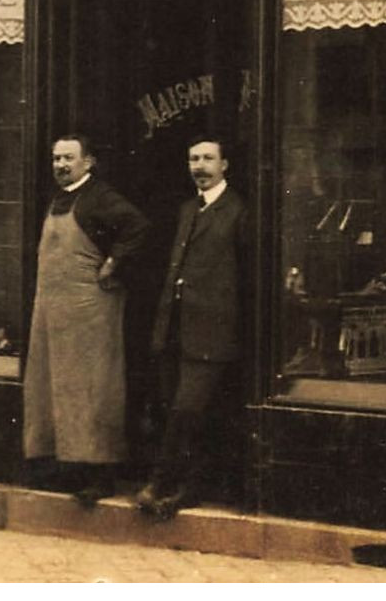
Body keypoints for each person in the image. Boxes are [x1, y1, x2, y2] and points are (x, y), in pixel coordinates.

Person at [22, 134, 149, 507]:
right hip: (53, 309)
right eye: (56, 158)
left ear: (88, 162)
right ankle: (64, 467)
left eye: (69, 159)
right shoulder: (60, 198)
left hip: (89, 311)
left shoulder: (99, 197)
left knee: (93, 390)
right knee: (53, 387)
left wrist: (113, 262)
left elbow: (138, 227)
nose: (61, 165)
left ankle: (100, 474)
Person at [138, 137, 250, 520]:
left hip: (212, 332)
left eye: (207, 159)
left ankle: (162, 483)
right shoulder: (188, 209)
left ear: (225, 165)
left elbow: (246, 276)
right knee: (176, 409)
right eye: (193, 159)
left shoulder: (237, 211)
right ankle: (188, 486)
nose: (199, 166)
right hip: (175, 327)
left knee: (188, 409)